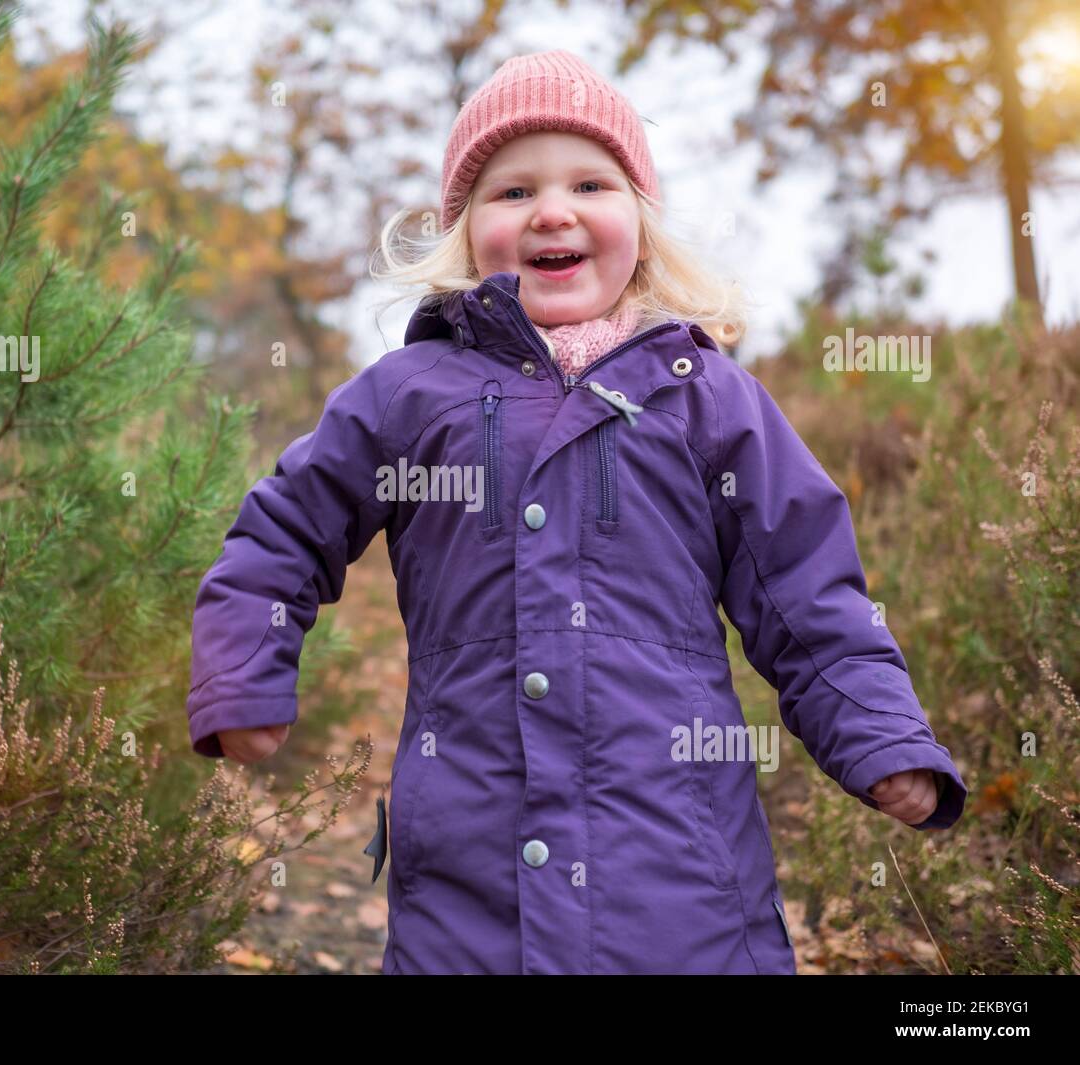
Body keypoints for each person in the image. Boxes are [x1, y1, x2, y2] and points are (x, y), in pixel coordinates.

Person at [186, 48, 968, 974]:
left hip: (680, 881)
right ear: (467, 230)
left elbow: (809, 594)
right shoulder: (410, 394)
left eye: (590, 182)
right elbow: (285, 529)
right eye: (511, 192)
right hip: (467, 887)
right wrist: (243, 675)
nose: (552, 210)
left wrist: (879, 735)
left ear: (638, 218)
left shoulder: (705, 397)